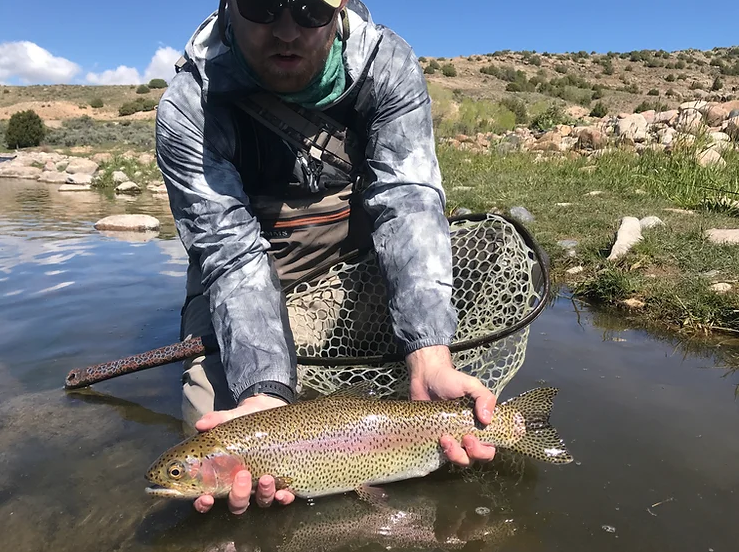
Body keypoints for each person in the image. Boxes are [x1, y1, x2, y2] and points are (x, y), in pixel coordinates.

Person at [156, 0, 497, 516]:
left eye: (311, 10)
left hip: (359, 257)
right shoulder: (189, 105)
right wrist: (265, 395)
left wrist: (429, 352)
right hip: (249, 274)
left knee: (466, 276)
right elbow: (231, 256)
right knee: (211, 431)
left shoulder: (386, 66)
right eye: (262, 8)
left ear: (337, 14)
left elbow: (408, 203)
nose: (287, 31)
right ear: (228, 9)